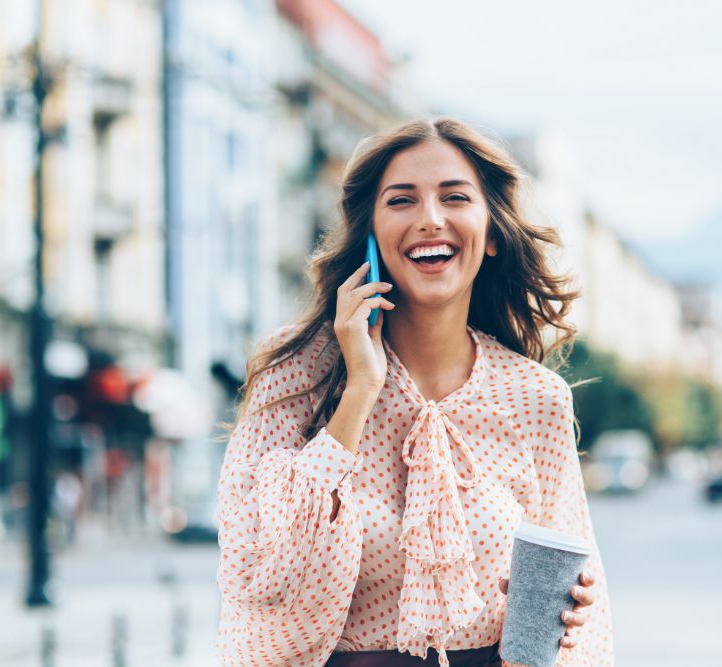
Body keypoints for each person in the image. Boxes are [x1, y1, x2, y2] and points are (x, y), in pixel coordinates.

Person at [214, 118, 614, 667]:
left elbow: (576, 621)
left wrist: (570, 614)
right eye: (401, 201)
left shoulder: (536, 397)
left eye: (454, 197)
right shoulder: (295, 372)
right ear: (371, 236)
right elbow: (260, 578)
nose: (430, 220)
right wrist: (359, 390)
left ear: (492, 233)